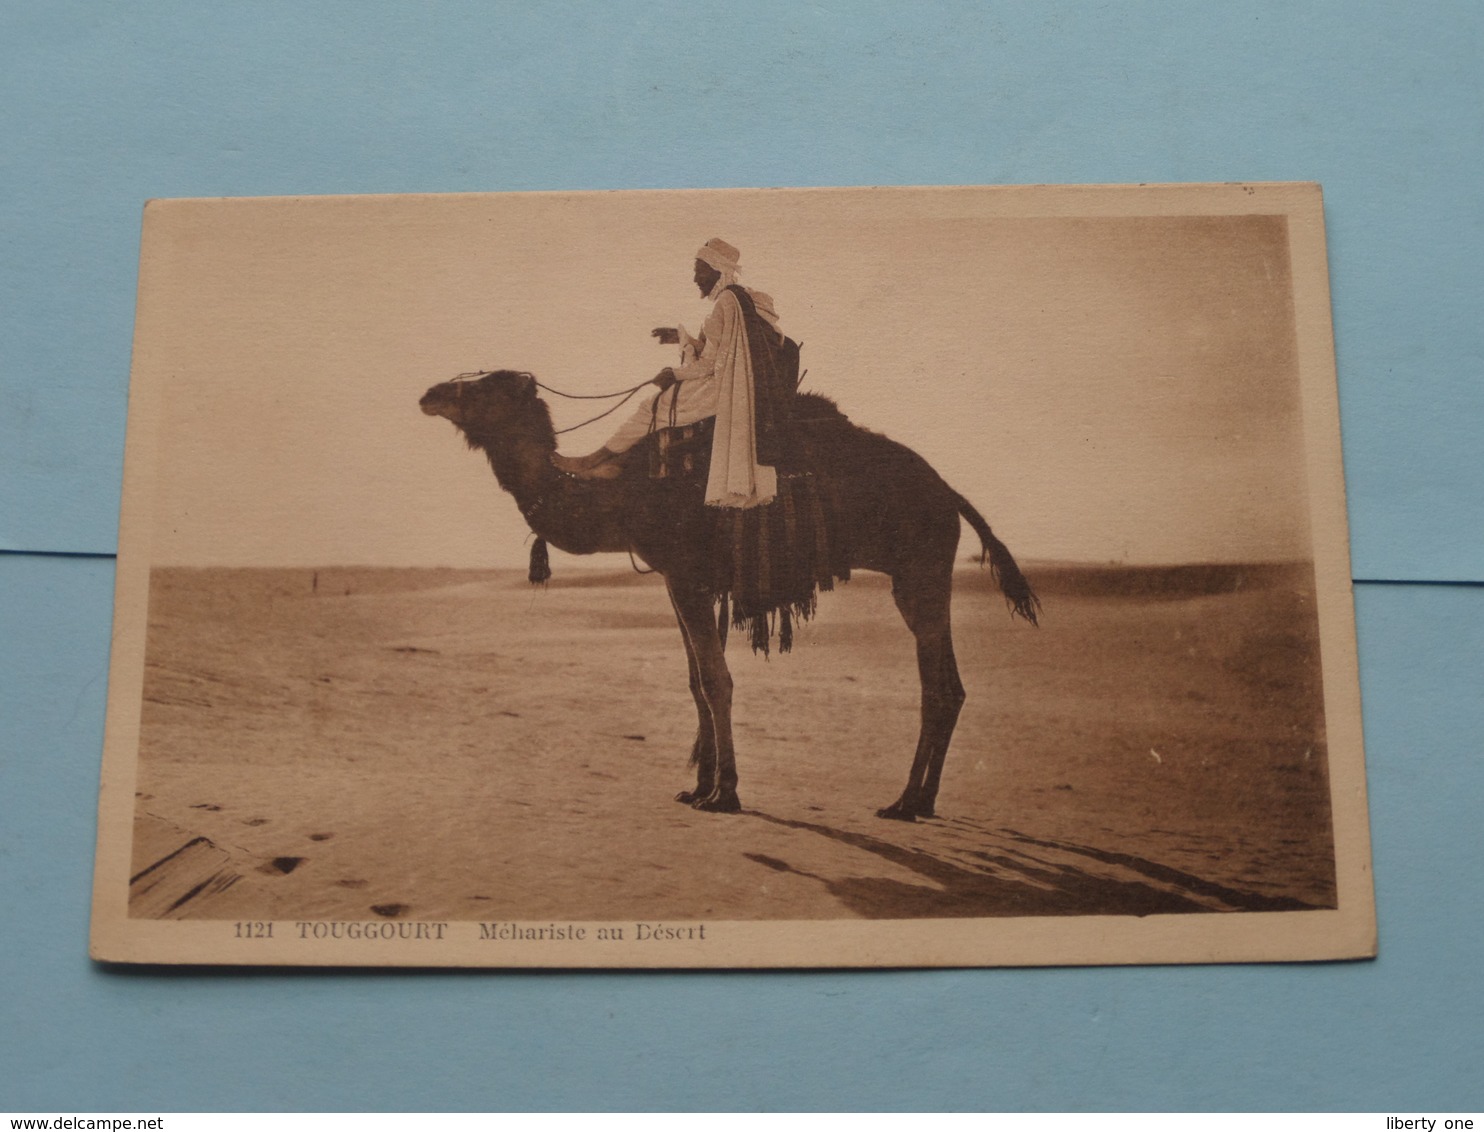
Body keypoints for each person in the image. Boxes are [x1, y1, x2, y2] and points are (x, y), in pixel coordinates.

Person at [552, 238, 792, 509]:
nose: (695, 278)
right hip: (730, 381)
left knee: (652, 406)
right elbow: (725, 351)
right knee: (657, 404)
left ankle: (594, 460)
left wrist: (674, 375)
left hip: (723, 388)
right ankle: (611, 461)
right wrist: (682, 339)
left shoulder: (726, 301)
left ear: (716, 268)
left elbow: (715, 362)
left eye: (699, 269)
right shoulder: (740, 299)